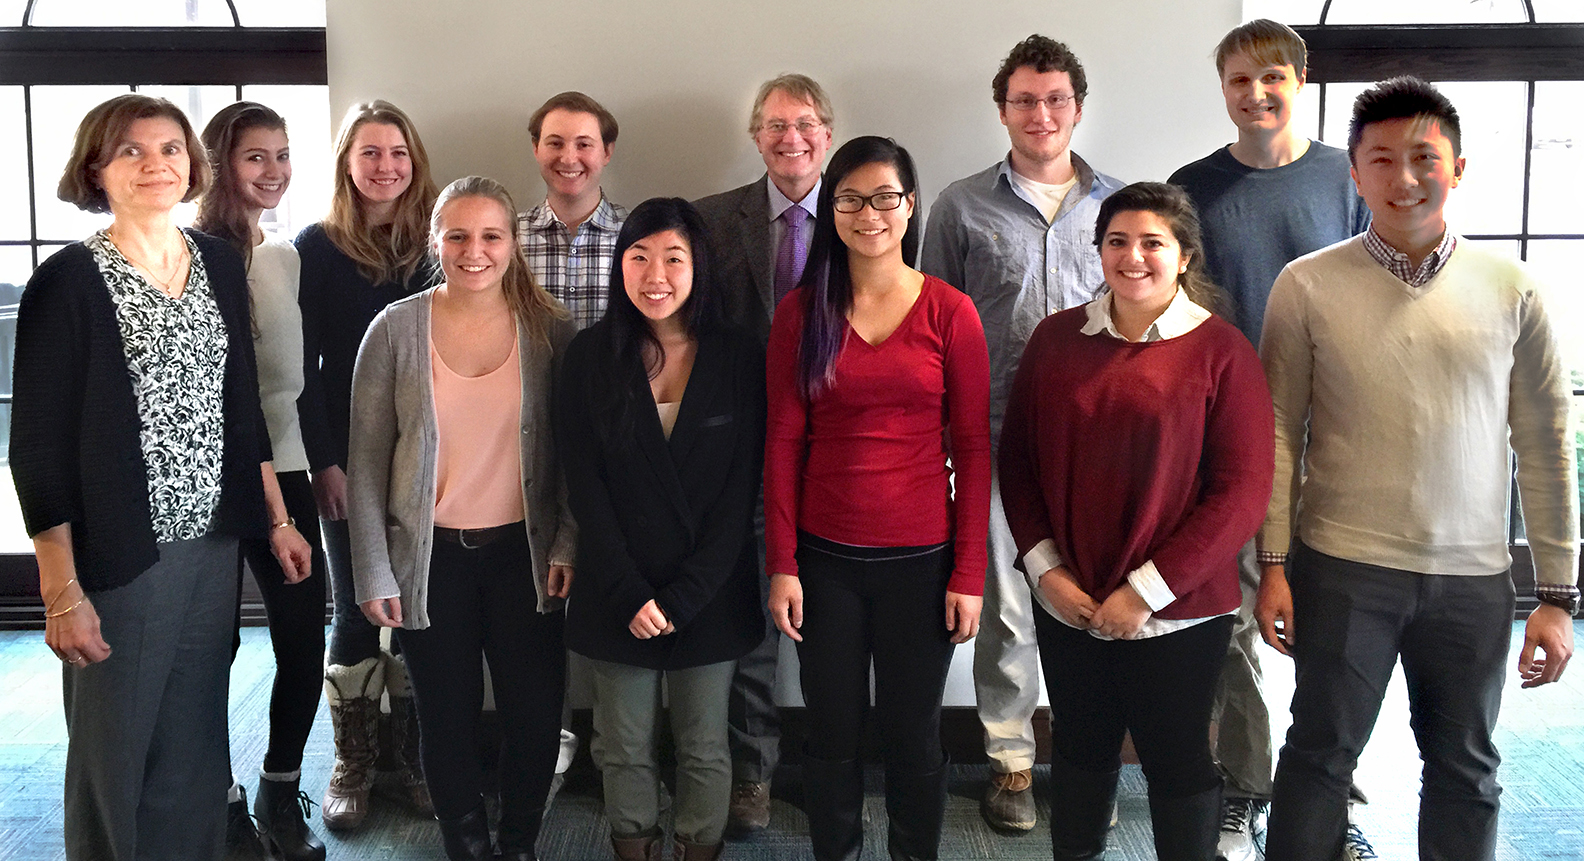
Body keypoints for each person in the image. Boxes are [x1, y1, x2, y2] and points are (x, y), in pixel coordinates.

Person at [1257, 77, 1578, 861]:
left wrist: (1559, 594)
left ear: (1457, 168)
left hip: (1472, 581)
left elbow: (1544, 439)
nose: (1404, 178)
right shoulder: (1306, 285)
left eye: (1424, 158)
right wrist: (1271, 562)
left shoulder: (1514, 289)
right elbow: (1274, 430)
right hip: (1341, 568)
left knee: (1466, 767)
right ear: (1355, 173)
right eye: (1383, 159)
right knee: (1319, 758)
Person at [11, 93, 311, 861]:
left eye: (170, 149)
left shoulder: (214, 259)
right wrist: (61, 590)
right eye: (131, 151)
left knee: (196, 749)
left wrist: (276, 518)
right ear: (95, 170)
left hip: (213, 547)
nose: (155, 165)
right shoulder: (70, 280)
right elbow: (37, 449)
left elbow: (242, 409)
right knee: (115, 755)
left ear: (192, 163)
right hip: (119, 557)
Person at [998, 181, 1274, 861]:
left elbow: (1241, 492)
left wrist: (1144, 592)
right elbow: (1019, 461)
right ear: (1098, 251)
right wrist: (1045, 570)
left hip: (1179, 610)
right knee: (1083, 752)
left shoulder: (1222, 351)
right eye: (1117, 241)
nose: (1133, 256)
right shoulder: (1057, 339)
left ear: (1184, 257)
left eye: (1153, 242)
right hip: (1072, 601)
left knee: (1177, 759)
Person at [1165, 20, 1372, 860]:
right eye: (1240, 80)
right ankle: (1245, 787)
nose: (1257, 93)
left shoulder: (1347, 178)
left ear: (1301, 79)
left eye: (1273, 77)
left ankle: (1334, 797)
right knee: (1241, 625)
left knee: (1341, 627)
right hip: (1233, 436)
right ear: (1222, 89)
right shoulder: (1192, 187)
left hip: (1340, 435)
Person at [764, 135, 990, 861]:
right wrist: (783, 563)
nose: (869, 213)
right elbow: (782, 444)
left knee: (913, 732)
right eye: (851, 199)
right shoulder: (802, 314)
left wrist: (969, 574)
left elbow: (976, 451)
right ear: (831, 210)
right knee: (829, 732)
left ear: (910, 204)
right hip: (824, 564)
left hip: (922, 564)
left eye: (885, 197)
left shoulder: (951, 313)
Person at [919, 33, 1123, 833]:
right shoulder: (960, 206)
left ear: (1077, 106)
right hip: (995, 434)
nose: (1041, 114)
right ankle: (1008, 761)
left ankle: (1085, 759)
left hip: (1096, 440)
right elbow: (934, 322)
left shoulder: (1118, 205)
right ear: (1002, 108)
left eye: (1056, 100)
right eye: (1025, 100)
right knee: (1006, 603)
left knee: (1093, 595)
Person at [349, 175, 577, 861]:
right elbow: (364, 461)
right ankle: (467, 846)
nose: (473, 251)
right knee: (443, 721)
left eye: (489, 236)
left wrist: (569, 541)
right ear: (435, 240)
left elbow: (576, 458)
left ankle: (518, 843)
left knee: (535, 720)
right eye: (457, 236)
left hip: (526, 561)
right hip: (430, 561)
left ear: (513, 242)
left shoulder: (551, 330)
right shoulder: (394, 330)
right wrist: (373, 568)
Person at [556, 197, 766, 861]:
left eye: (673, 258)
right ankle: (635, 848)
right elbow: (581, 484)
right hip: (618, 588)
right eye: (639, 256)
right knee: (622, 745)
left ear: (698, 266)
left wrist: (684, 597)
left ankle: (697, 847)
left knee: (705, 745)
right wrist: (628, 591)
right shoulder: (590, 356)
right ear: (621, 265)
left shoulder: (738, 357)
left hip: (708, 589)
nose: (655, 274)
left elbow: (740, 494)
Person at [692, 72, 835, 834]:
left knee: (833, 623)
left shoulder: (866, 216)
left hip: (843, 453)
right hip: (744, 452)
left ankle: (831, 771)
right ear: (756, 137)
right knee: (752, 619)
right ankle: (752, 772)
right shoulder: (714, 222)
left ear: (828, 134)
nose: (792, 138)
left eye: (806, 124)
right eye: (776, 125)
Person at [296, 99, 439, 831]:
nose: (386, 166)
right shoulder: (315, 250)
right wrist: (325, 462)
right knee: (355, 607)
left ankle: (411, 756)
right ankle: (351, 760)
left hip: (430, 457)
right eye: (370, 153)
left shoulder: (440, 245)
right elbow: (304, 371)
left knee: (419, 607)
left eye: (398, 153)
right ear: (347, 165)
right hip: (349, 458)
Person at [195, 100, 328, 861]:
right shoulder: (192, 253)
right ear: (220, 163)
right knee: (211, 650)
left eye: (282, 154)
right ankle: (220, 799)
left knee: (303, 638)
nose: (273, 170)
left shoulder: (285, 254)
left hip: (290, 464)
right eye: (255, 156)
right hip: (216, 481)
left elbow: (290, 385)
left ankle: (281, 787)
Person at [518, 91, 627, 330]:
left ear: (607, 152)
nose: (568, 159)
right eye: (555, 143)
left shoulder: (636, 235)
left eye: (584, 145)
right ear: (536, 148)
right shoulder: (507, 238)